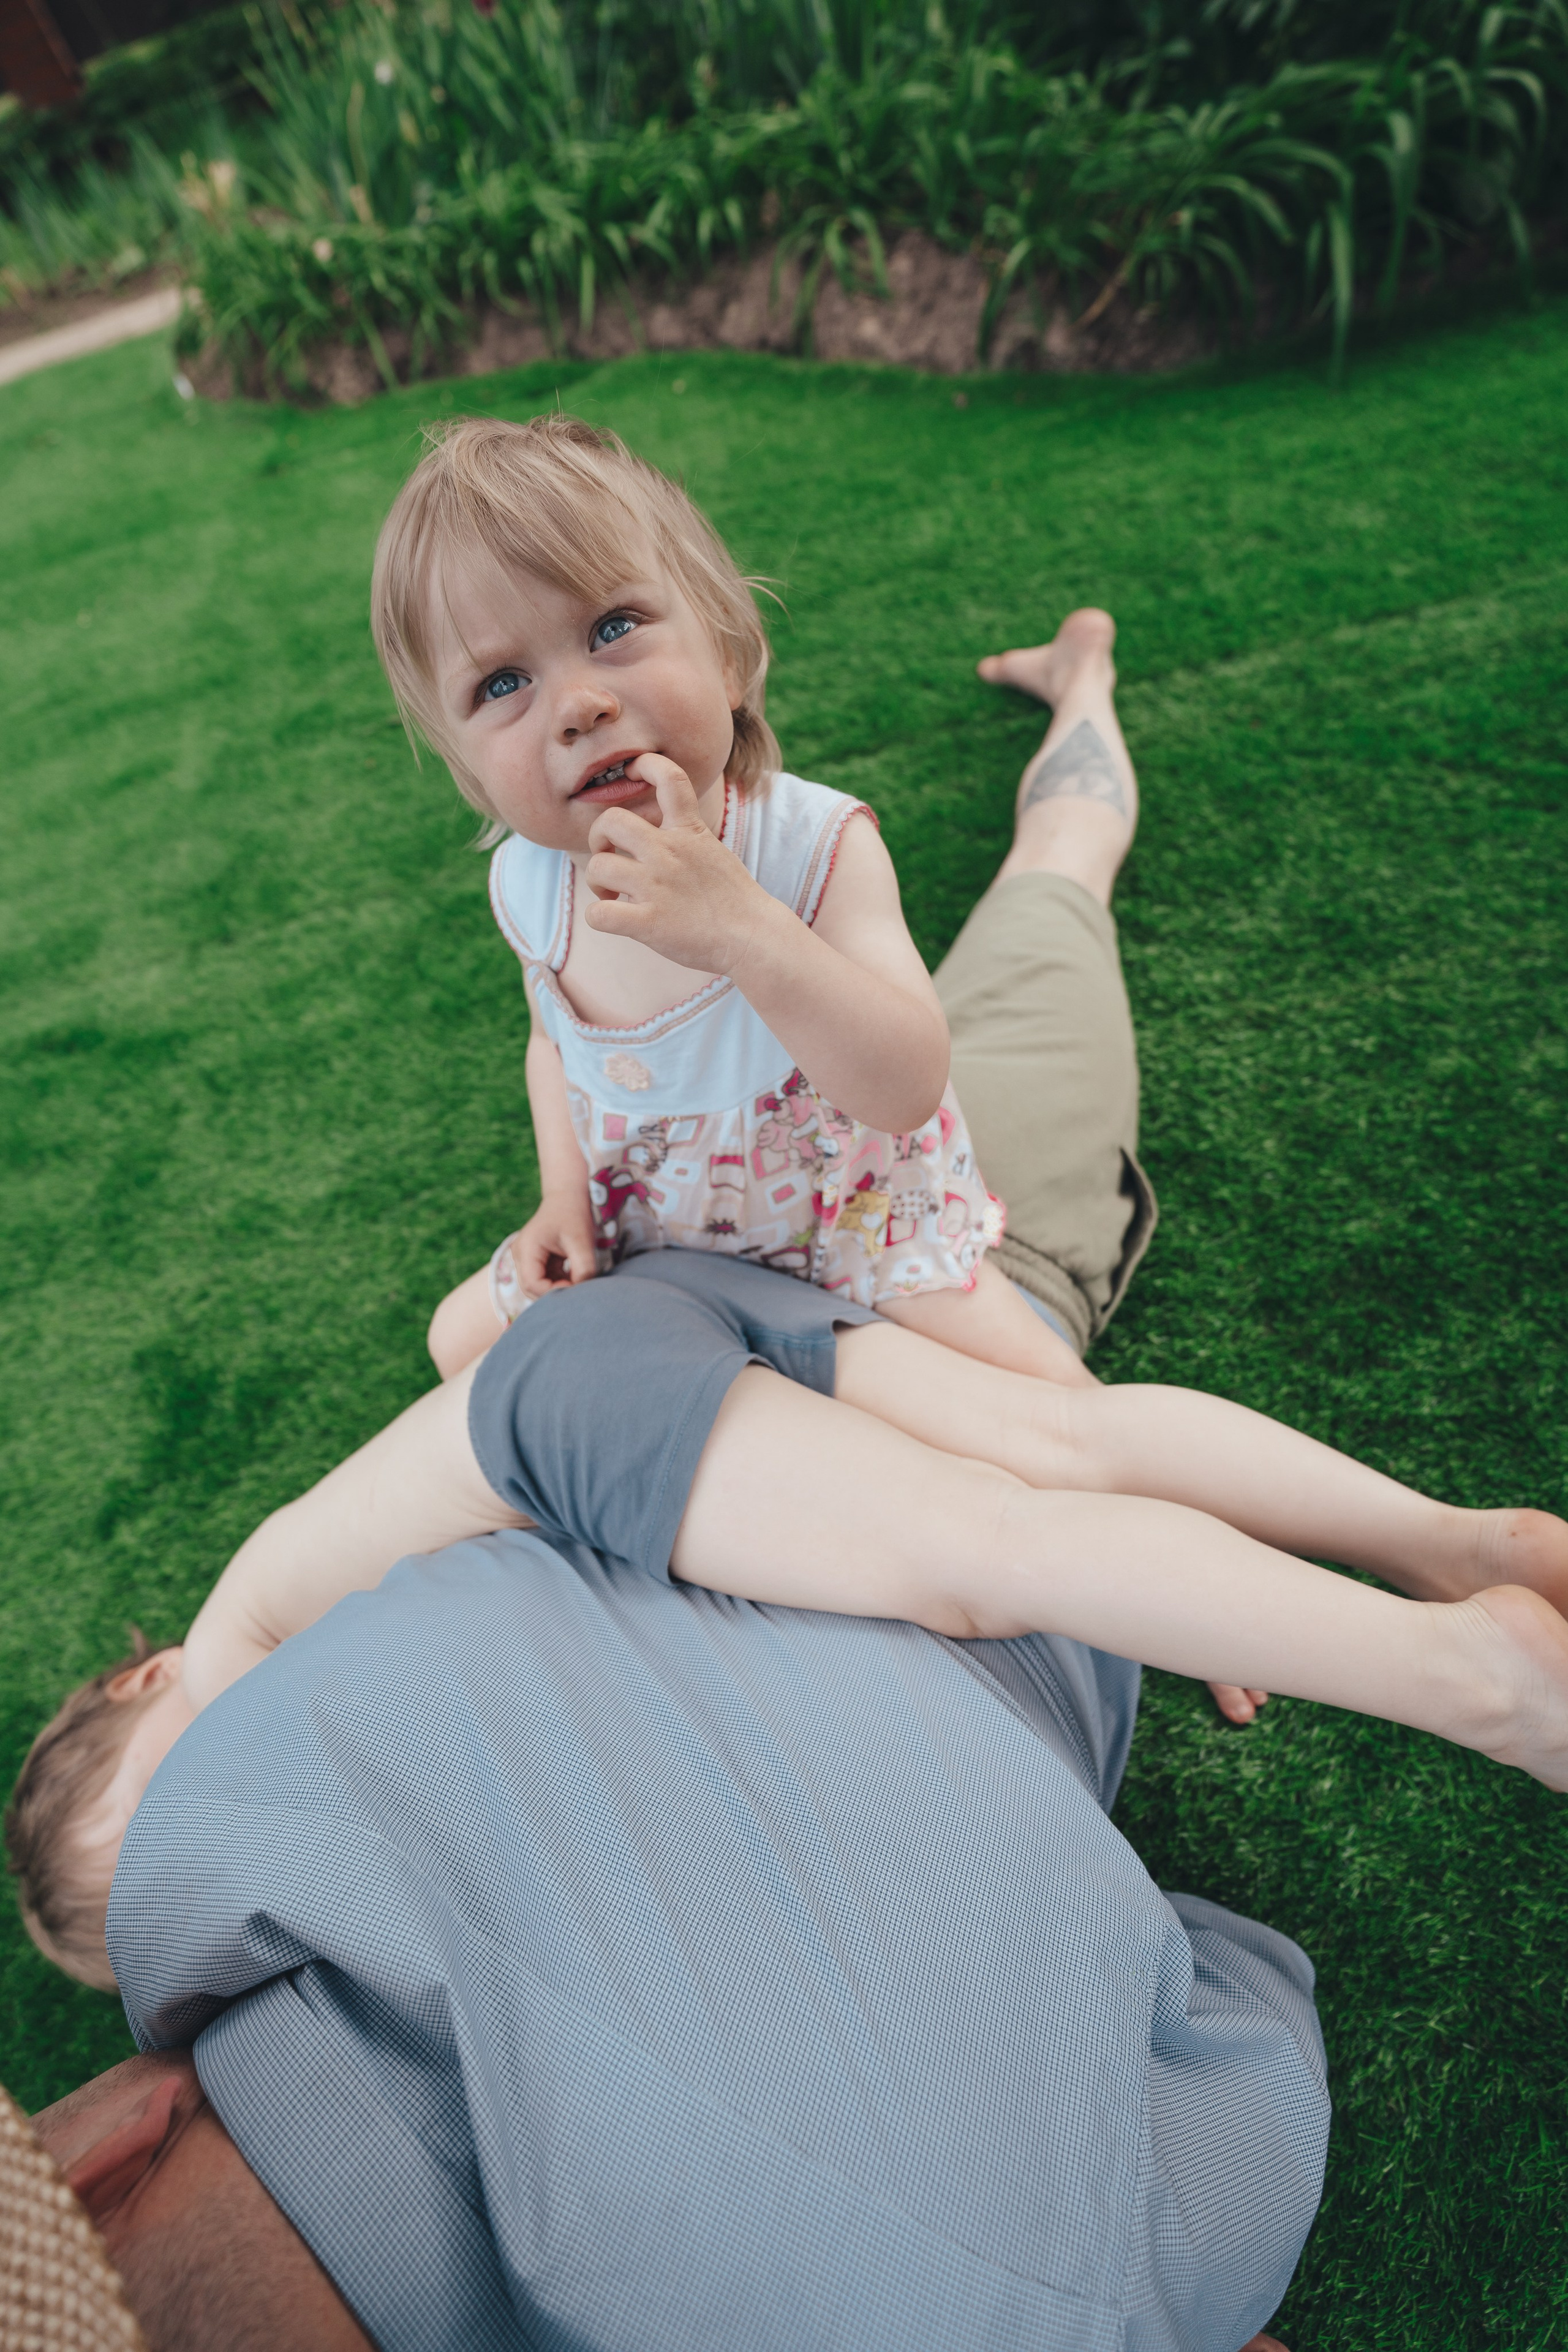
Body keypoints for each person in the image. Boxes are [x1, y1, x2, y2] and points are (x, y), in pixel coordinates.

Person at [0, 616, 1534, 2351]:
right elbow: (550, 1083)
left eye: (171, 1794)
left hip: (908, 1244)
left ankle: (1091, 692)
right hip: (814, 1298)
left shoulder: (298, 1624)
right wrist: (561, 1195)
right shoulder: (423, 1727)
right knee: (1046, 1059)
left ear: (146, 1687)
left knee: (1052, 925)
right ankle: (1081, 688)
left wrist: (1118, 1517)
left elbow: (576, 1373)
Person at [376, 409, 1094, 1387]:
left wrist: (740, 926)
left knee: (1055, 1403)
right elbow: (555, 1043)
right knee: (458, 1345)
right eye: (503, 681)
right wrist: (564, 1201)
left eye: (612, 627)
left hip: (867, 1245)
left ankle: (1083, 683)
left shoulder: (812, 848)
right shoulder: (532, 887)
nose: (578, 703)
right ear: (468, 769)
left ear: (725, 644)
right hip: (672, 1259)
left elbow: (908, 1083)